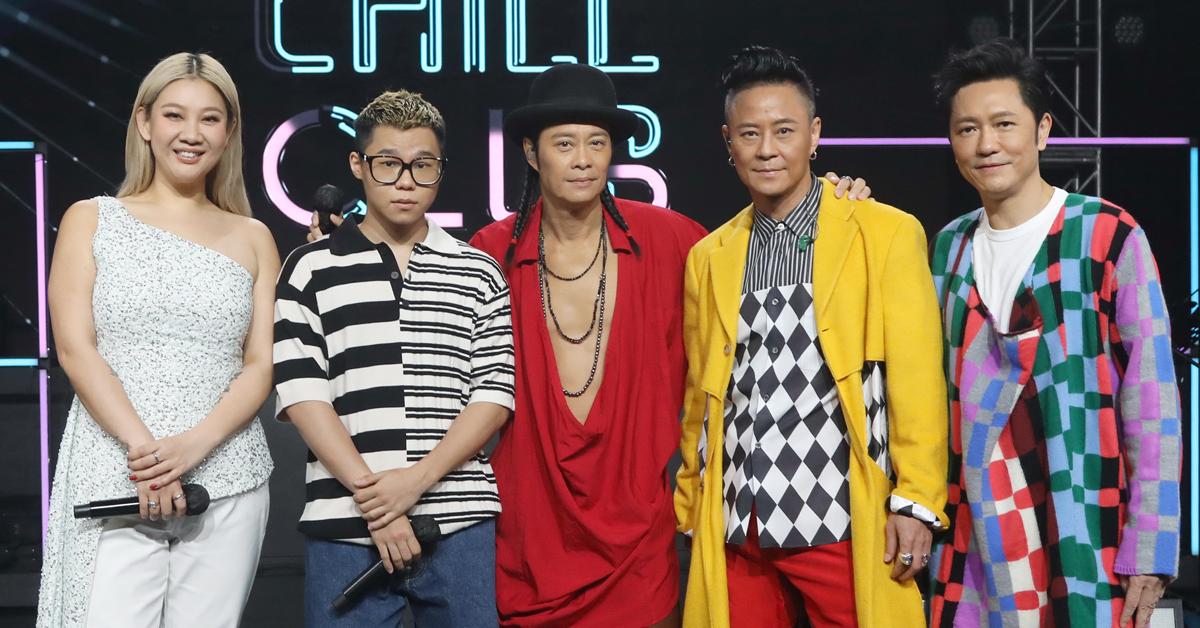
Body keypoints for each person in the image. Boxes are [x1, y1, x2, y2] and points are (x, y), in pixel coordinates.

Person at [675, 46, 949, 627]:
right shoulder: (709, 256)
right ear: (728, 141)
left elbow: (917, 379)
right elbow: (701, 395)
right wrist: (692, 498)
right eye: (749, 133)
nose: (767, 149)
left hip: (839, 514)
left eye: (784, 130)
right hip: (739, 517)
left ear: (815, 133)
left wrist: (917, 500)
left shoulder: (884, 233)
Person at [928, 39, 1182, 628]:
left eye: (1004, 124)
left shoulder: (1106, 234)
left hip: (1083, 526)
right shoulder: (949, 248)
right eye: (967, 129)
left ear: (1042, 130)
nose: (986, 144)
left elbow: (1152, 400)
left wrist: (1150, 545)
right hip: (974, 540)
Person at [40, 52, 277, 627]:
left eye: (210, 118)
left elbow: (261, 365)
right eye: (174, 115)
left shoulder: (254, 237)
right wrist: (147, 455)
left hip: (228, 474)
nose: (191, 134)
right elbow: (75, 349)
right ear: (144, 122)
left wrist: (194, 447)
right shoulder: (91, 219)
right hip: (113, 468)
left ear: (229, 132)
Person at [274, 89, 515, 627]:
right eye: (388, 164)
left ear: (441, 169)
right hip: (345, 524)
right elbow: (303, 395)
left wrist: (414, 482)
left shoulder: (478, 270)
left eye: (423, 165)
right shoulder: (309, 268)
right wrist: (379, 504)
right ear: (358, 165)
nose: (406, 181)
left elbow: (493, 396)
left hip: (458, 521)